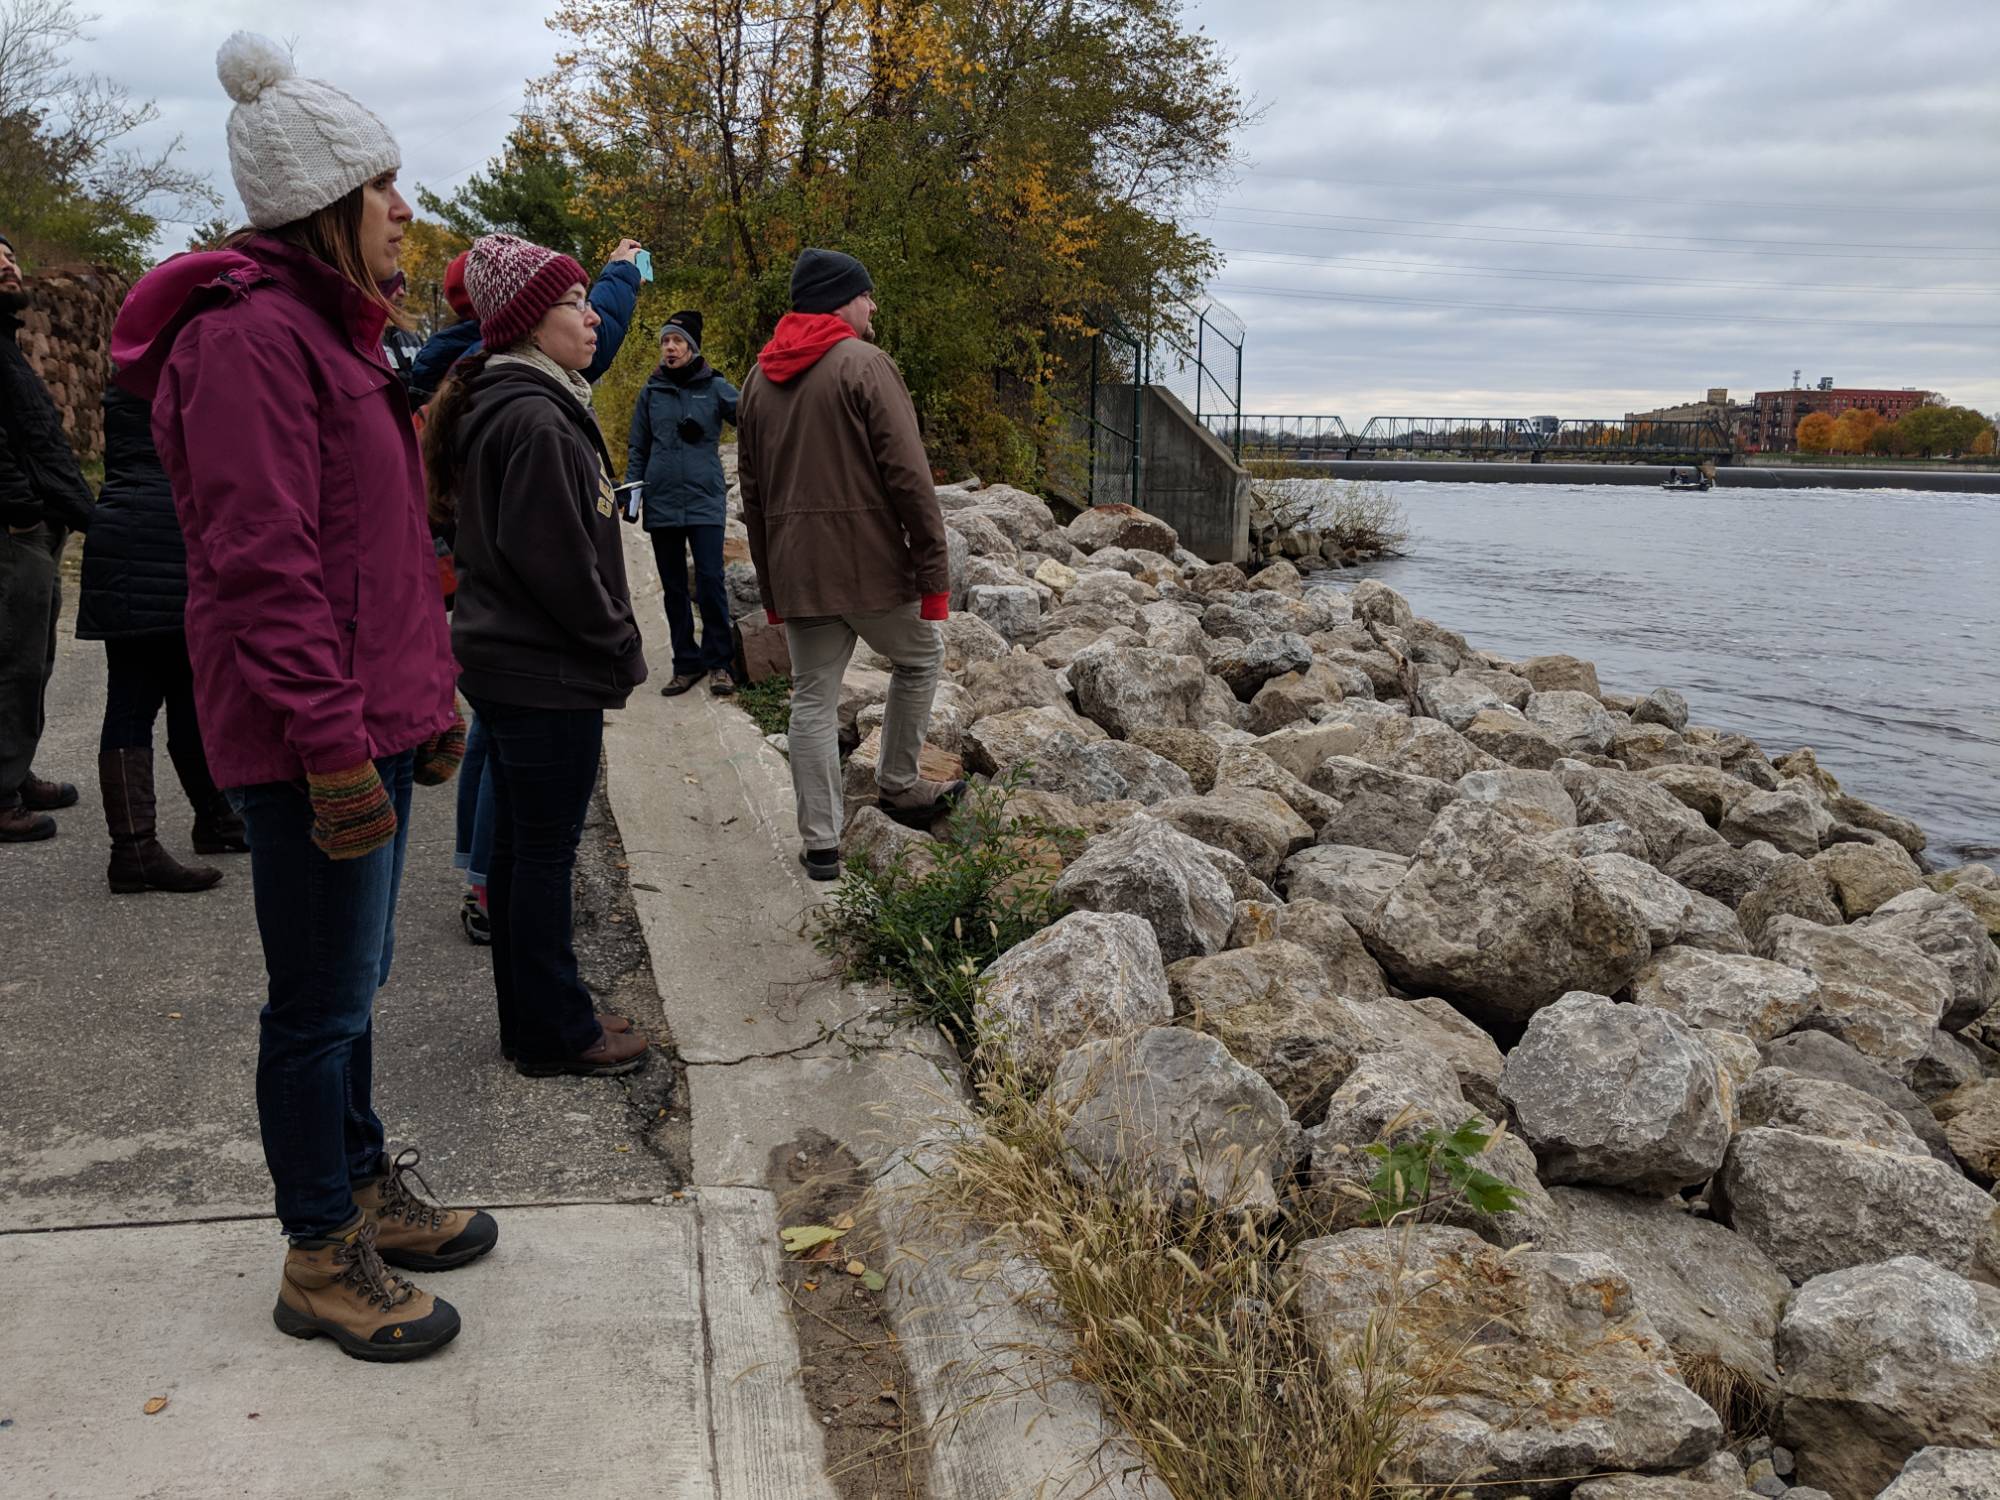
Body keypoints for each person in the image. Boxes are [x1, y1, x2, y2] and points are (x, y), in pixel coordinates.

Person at [112, 32, 493, 1363]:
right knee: (318, 1001)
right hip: (304, 740)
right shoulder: (250, 341)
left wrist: (424, 698)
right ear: (326, 204)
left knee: (356, 982)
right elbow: (263, 567)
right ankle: (319, 1250)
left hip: (367, 722)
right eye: (382, 188)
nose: (404, 210)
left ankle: (364, 1186)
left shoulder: (331, 336)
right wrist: (337, 748)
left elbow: (373, 555)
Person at [421, 232, 651, 1078]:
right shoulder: (536, 417)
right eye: (570, 304)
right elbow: (558, 561)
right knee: (544, 856)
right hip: (543, 671)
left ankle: (537, 1016)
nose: (592, 319)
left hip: (508, 663)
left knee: (519, 851)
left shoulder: (506, 400)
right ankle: (558, 1032)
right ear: (527, 321)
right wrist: (619, 643)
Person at [736, 249, 963, 881]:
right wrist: (933, 574)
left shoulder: (758, 379)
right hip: (867, 567)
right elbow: (910, 478)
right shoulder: (864, 364)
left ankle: (820, 844)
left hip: (798, 569)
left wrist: (771, 580)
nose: (874, 306)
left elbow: (752, 495)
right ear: (842, 299)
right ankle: (897, 782)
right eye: (867, 295)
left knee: (812, 699)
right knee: (921, 657)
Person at [75, 386, 246, 892]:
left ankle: (209, 819)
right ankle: (137, 848)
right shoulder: (189, 371)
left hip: (130, 534)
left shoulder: (130, 373)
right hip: (165, 537)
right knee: (146, 698)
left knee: (174, 689)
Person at [0, 230, 96, 843]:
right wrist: (22, 509)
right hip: (14, 530)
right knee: (12, 659)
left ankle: (14, 770)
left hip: (34, 524)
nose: (10, 263)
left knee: (34, 656)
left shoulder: (4, 342)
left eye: (12, 253)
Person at [627, 310, 740, 697]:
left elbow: (751, 415)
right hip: (662, 502)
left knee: (711, 581)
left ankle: (720, 664)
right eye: (665, 341)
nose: (669, 347)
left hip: (705, 498)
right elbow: (638, 446)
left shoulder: (714, 387)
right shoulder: (651, 391)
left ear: (692, 347)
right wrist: (633, 491)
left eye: (676, 341)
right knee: (674, 588)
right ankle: (685, 664)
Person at [406, 239, 643, 406]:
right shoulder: (524, 403)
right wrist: (621, 270)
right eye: (574, 303)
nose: (593, 318)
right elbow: (592, 342)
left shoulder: (458, 358)